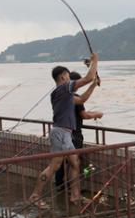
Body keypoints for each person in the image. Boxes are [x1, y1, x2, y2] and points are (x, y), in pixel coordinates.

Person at [30, 54, 99, 207]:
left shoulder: (64, 94)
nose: (70, 79)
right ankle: (35, 196)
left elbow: (81, 100)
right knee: (54, 166)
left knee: (75, 163)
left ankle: (75, 196)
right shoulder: (63, 88)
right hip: (60, 133)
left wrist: (93, 85)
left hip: (66, 133)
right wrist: (95, 60)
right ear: (63, 77)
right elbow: (86, 78)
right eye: (68, 76)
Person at [54, 70, 103, 196]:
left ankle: (60, 186)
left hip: (61, 131)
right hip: (74, 134)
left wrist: (93, 84)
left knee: (61, 161)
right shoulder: (73, 97)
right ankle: (73, 191)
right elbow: (84, 114)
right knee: (74, 163)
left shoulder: (62, 96)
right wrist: (97, 114)